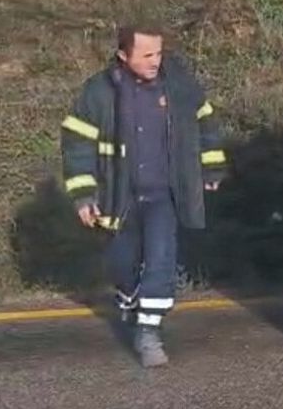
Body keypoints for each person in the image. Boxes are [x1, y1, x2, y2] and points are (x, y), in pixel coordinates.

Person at [59, 24, 228, 367]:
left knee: (161, 259)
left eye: (159, 53)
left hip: (164, 195)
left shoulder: (178, 85)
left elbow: (206, 123)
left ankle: (148, 332)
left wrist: (211, 168)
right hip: (118, 196)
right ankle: (128, 297)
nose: (155, 61)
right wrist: (84, 195)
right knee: (121, 265)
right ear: (123, 55)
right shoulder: (98, 92)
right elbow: (77, 145)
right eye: (146, 54)